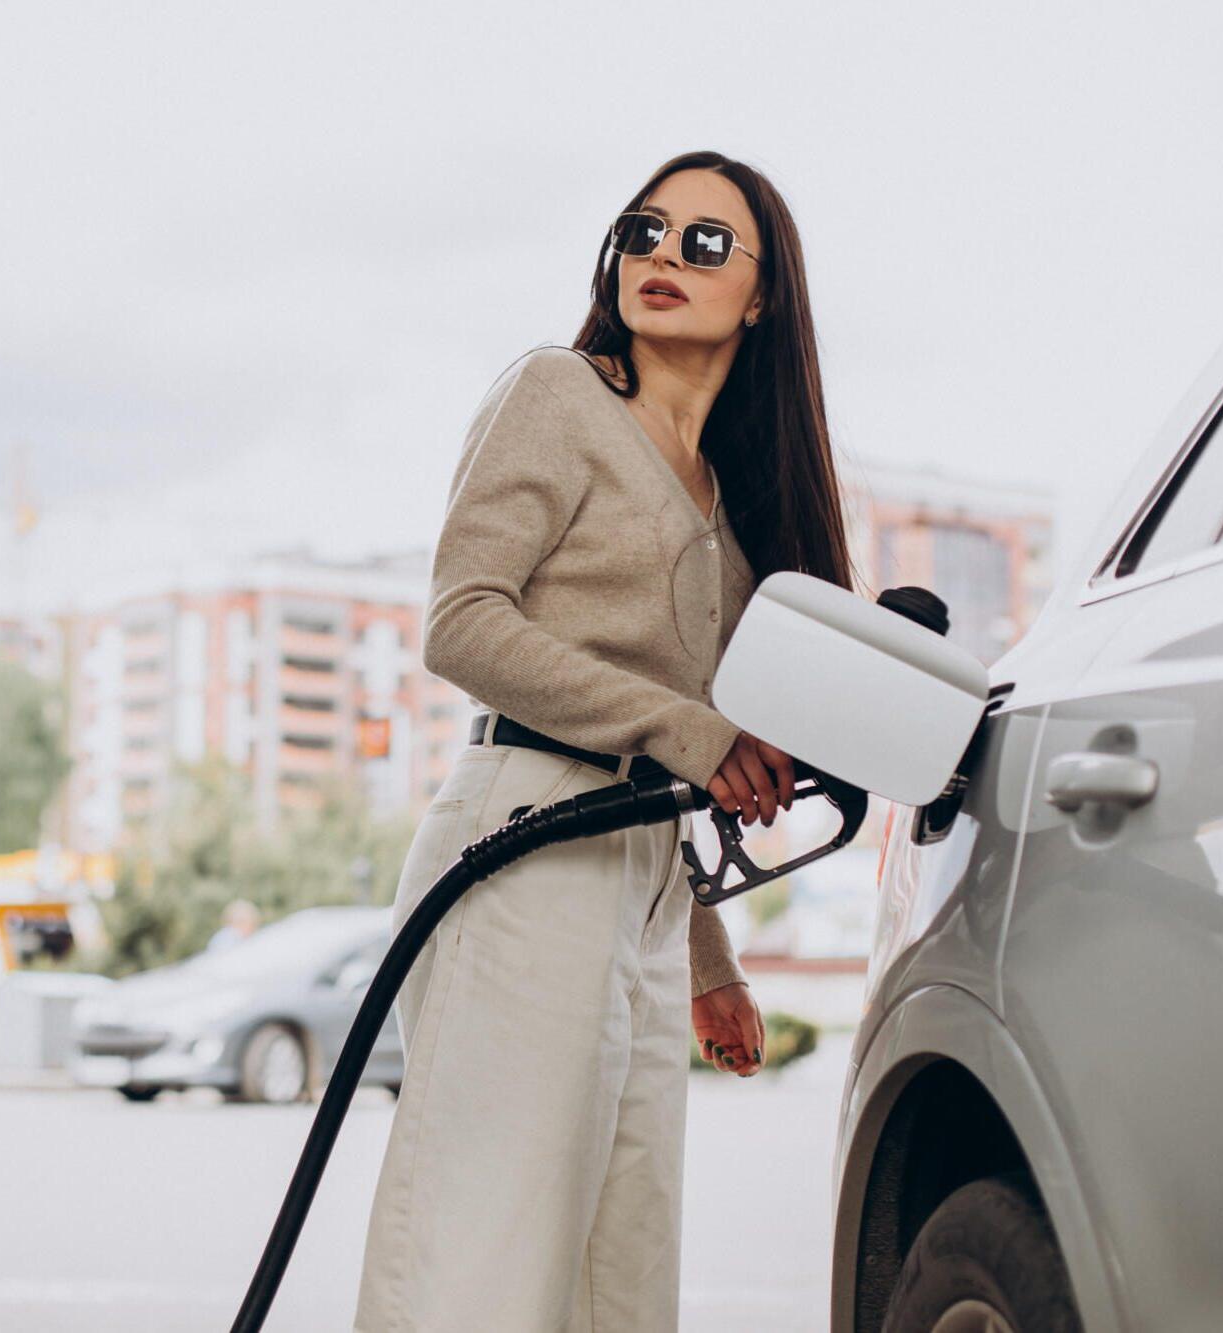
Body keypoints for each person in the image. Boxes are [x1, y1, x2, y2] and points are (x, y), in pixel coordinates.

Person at [353, 150, 865, 1333]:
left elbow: (664, 759)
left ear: (763, 294)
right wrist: (694, 730)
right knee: (484, 1266)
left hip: (639, 880)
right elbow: (463, 622)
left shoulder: (729, 506)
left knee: (620, 1280)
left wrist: (707, 959)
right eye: (644, 230)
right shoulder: (560, 394)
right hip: (522, 840)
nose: (662, 255)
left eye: (703, 241)